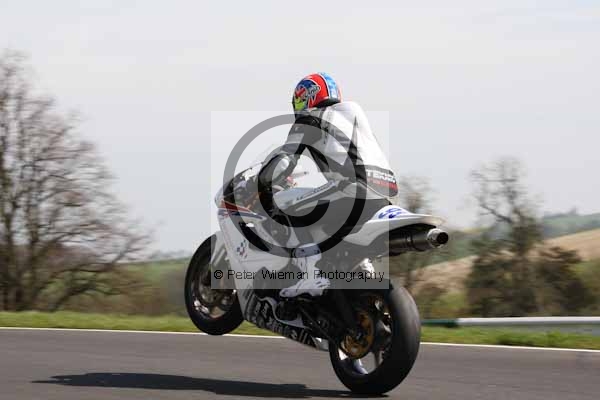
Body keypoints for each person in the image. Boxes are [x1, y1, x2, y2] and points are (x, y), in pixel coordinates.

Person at [257, 73, 398, 298]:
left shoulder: (310, 118)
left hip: (354, 188)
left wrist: (264, 178)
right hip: (386, 190)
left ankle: (311, 274)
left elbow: (287, 159)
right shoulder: (353, 115)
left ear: (306, 97)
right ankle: (362, 270)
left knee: (285, 203)